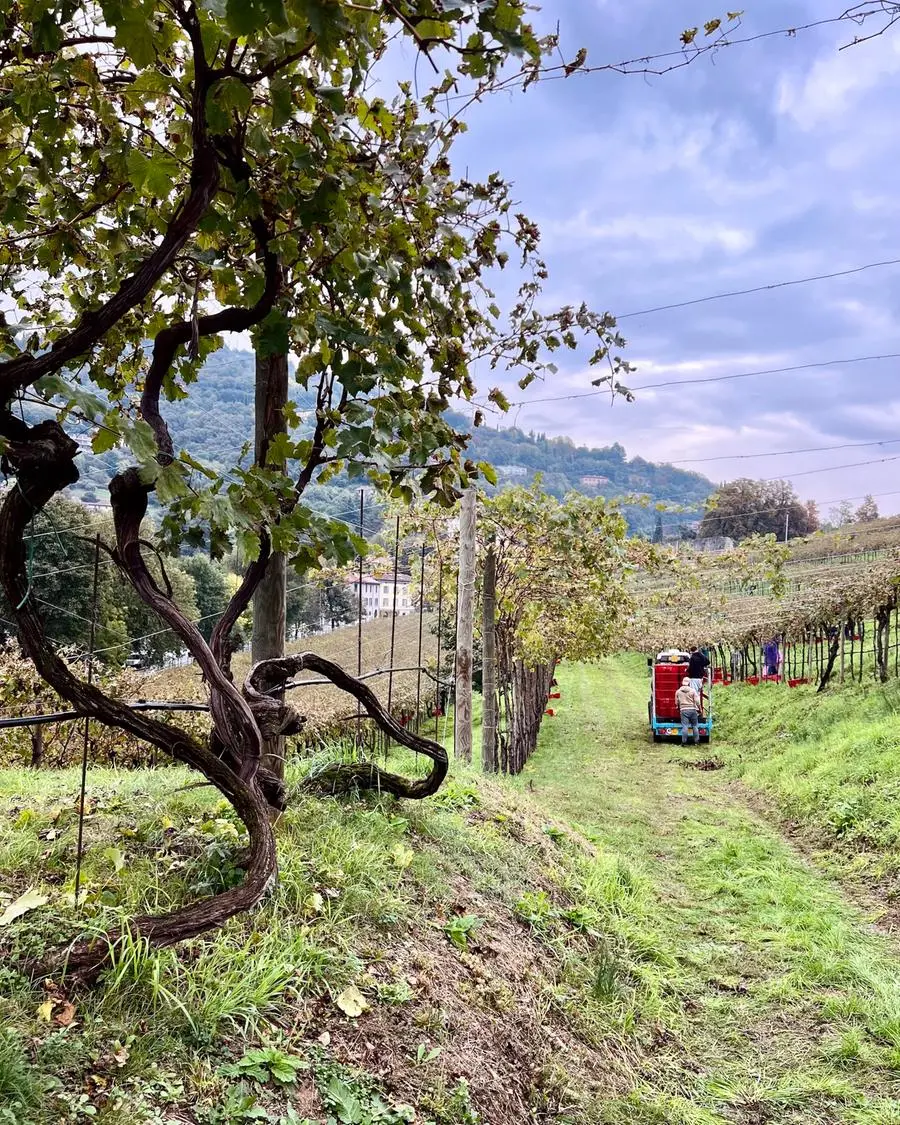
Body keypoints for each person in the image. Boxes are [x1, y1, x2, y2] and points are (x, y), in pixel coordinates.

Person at [675, 676, 701, 746]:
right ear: (689, 683)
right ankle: (696, 742)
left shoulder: (678, 692)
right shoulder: (693, 691)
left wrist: (678, 708)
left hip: (683, 710)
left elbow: (676, 703)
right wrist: (700, 709)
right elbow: (697, 701)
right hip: (692, 710)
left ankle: (684, 742)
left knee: (685, 726)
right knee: (695, 726)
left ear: (682, 683)